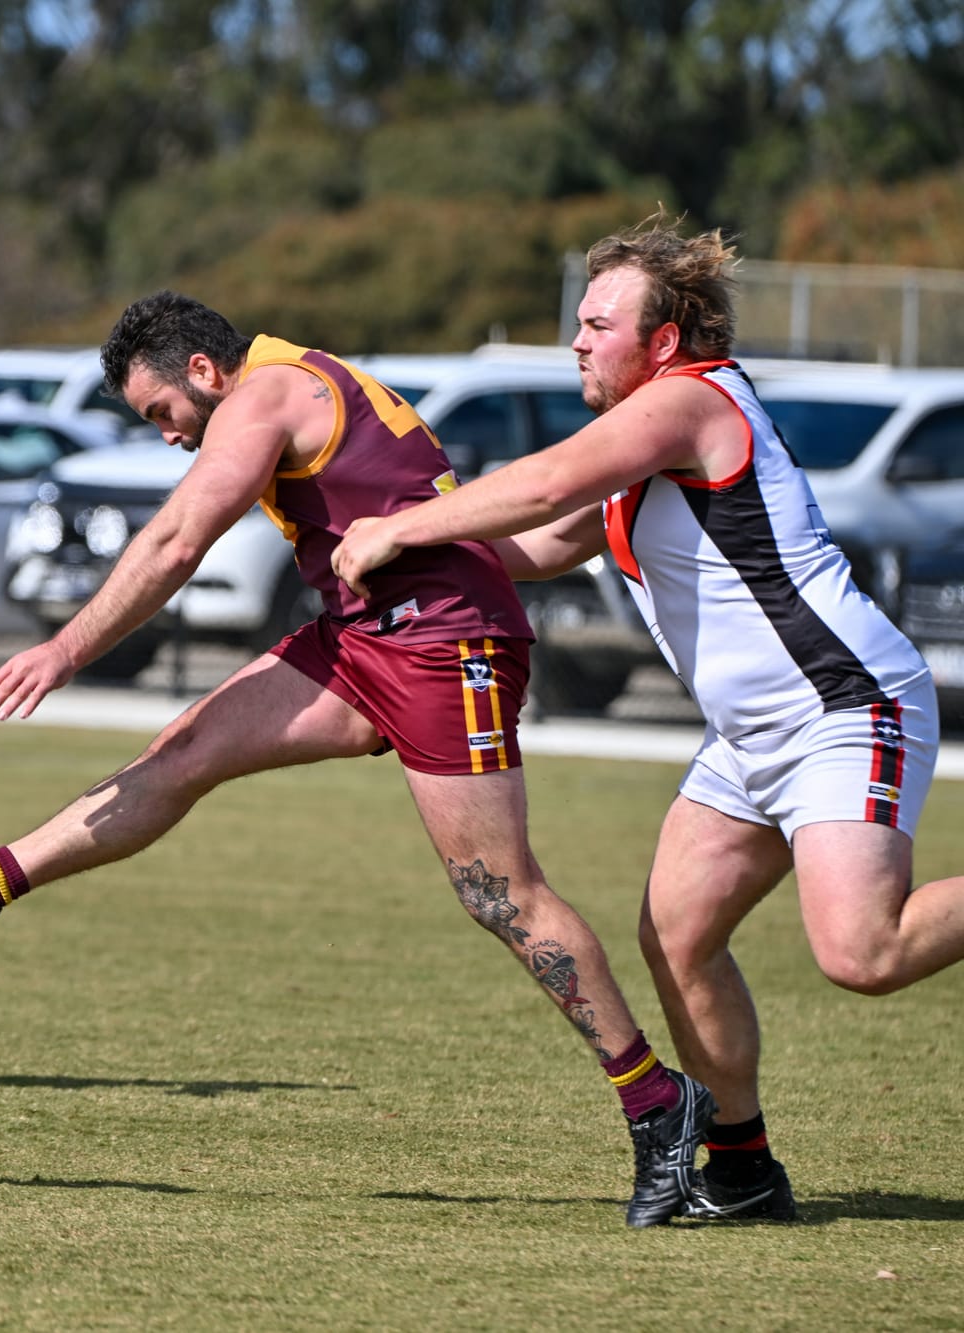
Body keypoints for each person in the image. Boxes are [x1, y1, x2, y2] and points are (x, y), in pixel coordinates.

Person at [0, 291, 715, 1227]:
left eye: (162, 411)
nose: (169, 435)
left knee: (501, 894)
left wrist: (64, 649)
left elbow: (179, 539)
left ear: (203, 372)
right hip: (365, 636)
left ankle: (658, 1102)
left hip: (442, 643)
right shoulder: (293, 378)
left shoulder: (267, 394)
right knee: (184, 751)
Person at [332, 217, 962, 1222]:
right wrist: (366, 539)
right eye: (579, 323)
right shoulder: (646, 442)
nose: (576, 342)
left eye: (598, 326)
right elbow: (537, 541)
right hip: (751, 736)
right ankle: (742, 1171)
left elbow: (544, 481)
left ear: (662, 341)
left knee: (863, 954)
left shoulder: (688, 402)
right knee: (677, 935)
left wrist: (398, 526)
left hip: (841, 705)